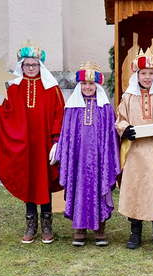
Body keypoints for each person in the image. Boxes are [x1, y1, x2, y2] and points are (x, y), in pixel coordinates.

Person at [0, 41, 64, 244]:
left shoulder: (52, 89)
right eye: (27, 65)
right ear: (21, 66)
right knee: (29, 179)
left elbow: (60, 115)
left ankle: (47, 224)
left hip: (45, 145)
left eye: (34, 65)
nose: (31, 68)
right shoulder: (14, 89)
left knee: (45, 180)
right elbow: (6, 113)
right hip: (25, 145)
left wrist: (57, 141)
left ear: (41, 65)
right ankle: (31, 223)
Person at [115, 48, 153, 249]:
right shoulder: (128, 97)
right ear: (137, 75)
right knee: (136, 189)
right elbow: (120, 120)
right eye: (143, 73)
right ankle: (135, 233)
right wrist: (126, 130)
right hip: (135, 152)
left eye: (151, 73)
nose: (147, 77)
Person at [54, 62, 120, 247]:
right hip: (78, 160)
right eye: (84, 84)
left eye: (91, 84)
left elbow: (110, 135)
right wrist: (62, 152)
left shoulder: (105, 108)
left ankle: (100, 229)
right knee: (78, 189)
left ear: (97, 86)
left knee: (100, 188)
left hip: (99, 160)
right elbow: (66, 134)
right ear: (79, 85)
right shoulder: (72, 109)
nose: (88, 87)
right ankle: (79, 229)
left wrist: (108, 156)